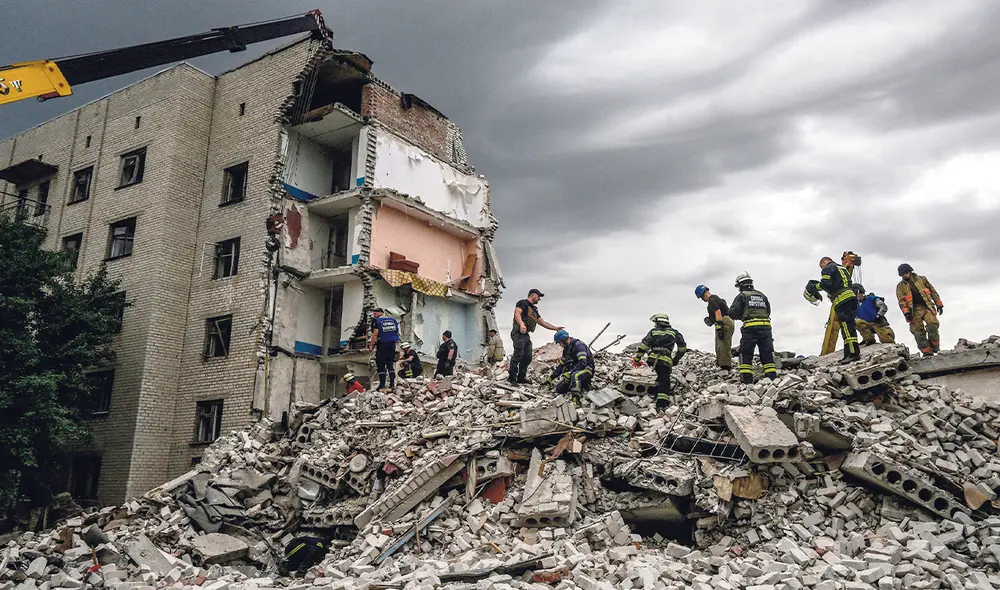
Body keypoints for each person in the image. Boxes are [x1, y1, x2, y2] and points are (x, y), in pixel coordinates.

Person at [805, 256, 861, 364]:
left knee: (846, 328)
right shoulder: (842, 268)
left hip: (842, 300)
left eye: (821, 266)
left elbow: (826, 284)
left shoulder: (828, 268)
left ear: (824, 263)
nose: (822, 269)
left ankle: (853, 354)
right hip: (850, 297)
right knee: (849, 327)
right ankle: (848, 353)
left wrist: (814, 287)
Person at [729, 271, 778, 383]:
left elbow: (732, 313)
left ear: (740, 285)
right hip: (766, 329)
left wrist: (742, 316)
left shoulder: (742, 296)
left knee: (746, 354)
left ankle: (746, 382)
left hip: (750, 329)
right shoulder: (762, 295)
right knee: (767, 354)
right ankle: (771, 379)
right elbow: (768, 311)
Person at [509, 289, 564, 385]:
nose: (539, 299)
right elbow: (517, 313)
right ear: (533, 295)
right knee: (518, 355)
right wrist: (521, 324)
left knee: (527, 357)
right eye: (539, 297)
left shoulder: (533, 310)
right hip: (518, 333)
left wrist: (555, 328)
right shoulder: (523, 303)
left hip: (525, 335)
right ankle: (512, 378)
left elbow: (543, 323)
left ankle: (521, 378)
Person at [631, 313, 687, 408]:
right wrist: (676, 359)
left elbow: (643, 346)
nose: (654, 325)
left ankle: (648, 396)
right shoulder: (674, 332)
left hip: (652, 360)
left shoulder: (653, 332)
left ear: (658, 322)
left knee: (653, 376)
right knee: (664, 380)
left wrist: (637, 359)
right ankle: (662, 404)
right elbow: (682, 348)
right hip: (665, 361)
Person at [896, 263, 943, 356]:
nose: (904, 275)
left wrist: (939, 304)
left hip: (927, 307)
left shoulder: (922, 280)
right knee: (918, 333)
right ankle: (927, 352)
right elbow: (901, 301)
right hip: (914, 311)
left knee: (932, 325)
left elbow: (933, 292)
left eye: (905, 273)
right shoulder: (900, 286)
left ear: (910, 271)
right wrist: (906, 313)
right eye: (902, 274)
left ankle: (935, 348)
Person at [695, 285, 733, 370]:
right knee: (722, 342)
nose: (702, 299)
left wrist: (719, 327)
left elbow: (718, 312)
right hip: (727, 321)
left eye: (701, 297)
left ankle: (725, 365)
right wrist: (711, 320)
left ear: (703, 294)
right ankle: (721, 363)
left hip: (724, 322)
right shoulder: (718, 300)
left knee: (723, 343)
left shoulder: (712, 300)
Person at [549, 330, 594, 396]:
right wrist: (551, 378)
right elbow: (561, 365)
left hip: (587, 369)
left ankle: (576, 399)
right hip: (575, 369)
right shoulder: (566, 350)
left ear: (563, 340)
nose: (560, 345)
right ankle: (581, 386)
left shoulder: (578, 345)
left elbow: (583, 363)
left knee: (575, 376)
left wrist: (570, 373)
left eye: (559, 343)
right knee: (559, 389)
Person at [368, 308, 399, 391]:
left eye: (375, 314)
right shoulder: (393, 321)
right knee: (390, 364)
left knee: (381, 364)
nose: (374, 316)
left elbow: (375, 335)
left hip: (383, 344)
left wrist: (371, 345)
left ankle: (382, 385)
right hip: (392, 345)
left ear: (380, 313)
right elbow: (396, 332)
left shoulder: (377, 322)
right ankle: (392, 384)